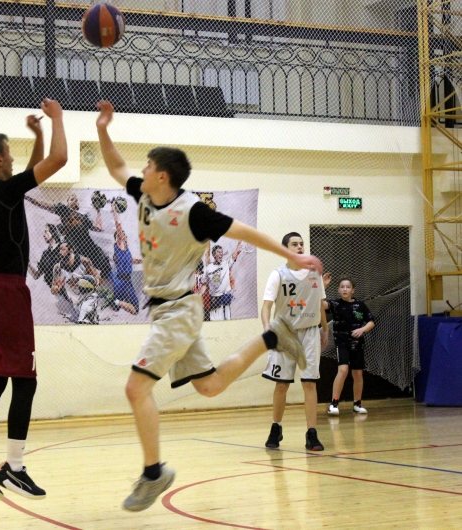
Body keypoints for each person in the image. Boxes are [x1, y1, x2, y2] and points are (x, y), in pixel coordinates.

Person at [95, 100, 323, 512]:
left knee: (135, 388)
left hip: (179, 310)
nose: (141, 170)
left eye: (148, 166)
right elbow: (115, 166)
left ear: (162, 176)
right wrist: (102, 129)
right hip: (168, 311)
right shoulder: (144, 194)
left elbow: (244, 232)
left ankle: (153, 473)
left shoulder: (194, 212)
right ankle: (272, 337)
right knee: (210, 386)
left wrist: (291, 256)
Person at [0, 99, 67, 501]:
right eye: (11, 152)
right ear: (0, 159)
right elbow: (59, 159)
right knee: (25, 381)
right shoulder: (5, 192)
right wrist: (57, 120)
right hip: (7, 293)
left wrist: (37, 135)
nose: (15, 159)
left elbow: (28, 176)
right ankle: (14, 468)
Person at [261, 232, 329, 452]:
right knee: (282, 384)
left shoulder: (315, 273)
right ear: (285, 249)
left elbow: (320, 303)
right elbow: (266, 306)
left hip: (309, 332)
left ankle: (312, 433)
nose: (300, 247)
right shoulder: (277, 275)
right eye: (294, 244)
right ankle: (276, 427)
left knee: (309, 383)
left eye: (301, 244)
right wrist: (266, 328)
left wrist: (325, 328)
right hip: (284, 333)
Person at [25, 192, 112, 279]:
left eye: (76, 200)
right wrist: (28, 198)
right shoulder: (64, 210)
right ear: (67, 202)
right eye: (72, 199)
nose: (75, 201)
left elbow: (99, 228)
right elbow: (45, 205)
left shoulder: (83, 218)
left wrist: (98, 211)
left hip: (90, 247)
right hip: (76, 250)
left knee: (106, 267)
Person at [322, 274, 375, 415]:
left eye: (348, 287)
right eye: (342, 287)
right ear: (338, 290)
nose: (345, 289)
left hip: (357, 345)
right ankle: (334, 404)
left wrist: (362, 329)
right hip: (342, 343)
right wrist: (323, 286)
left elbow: (371, 322)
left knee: (358, 373)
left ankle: (357, 404)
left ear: (353, 290)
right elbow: (321, 304)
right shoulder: (335, 304)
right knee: (343, 371)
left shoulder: (360, 305)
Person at [104, 203, 143, 315]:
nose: (123, 236)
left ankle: (114, 301)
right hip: (122, 280)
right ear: (118, 238)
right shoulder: (120, 245)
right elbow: (118, 225)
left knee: (129, 309)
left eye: (123, 235)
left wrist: (144, 261)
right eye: (120, 235)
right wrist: (114, 211)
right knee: (131, 309)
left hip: (125, 281)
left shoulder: (126, 250)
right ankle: (114, 301)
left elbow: (132, 260)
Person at [51, 241, 102, 324]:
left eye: (63, 249)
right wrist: (57, 287)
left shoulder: (84, 261)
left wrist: (90, 282)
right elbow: (53, 290)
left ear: (71, 250)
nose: (60, 252)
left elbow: (97, 277)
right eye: (59, 250)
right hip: (76, 302)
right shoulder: (58, 268)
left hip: (88, 297)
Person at [203, 242, 242, 321]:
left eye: (221, 252)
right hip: (214, 299)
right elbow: (204, 284)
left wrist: (238, 248)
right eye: (218, 252)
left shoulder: (226, 263)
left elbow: (234, 255)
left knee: (227, 320)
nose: (221, 254)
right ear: (214, 255)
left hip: (224, 297)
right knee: (215, 321)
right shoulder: (208, 268)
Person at [28, 223, 61, 288]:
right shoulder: (45, 254)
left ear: (53, 232)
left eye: (46, 232)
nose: (43, 235)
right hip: (54, 288)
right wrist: (27, 264)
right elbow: (36, 275)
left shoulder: (63, 247)